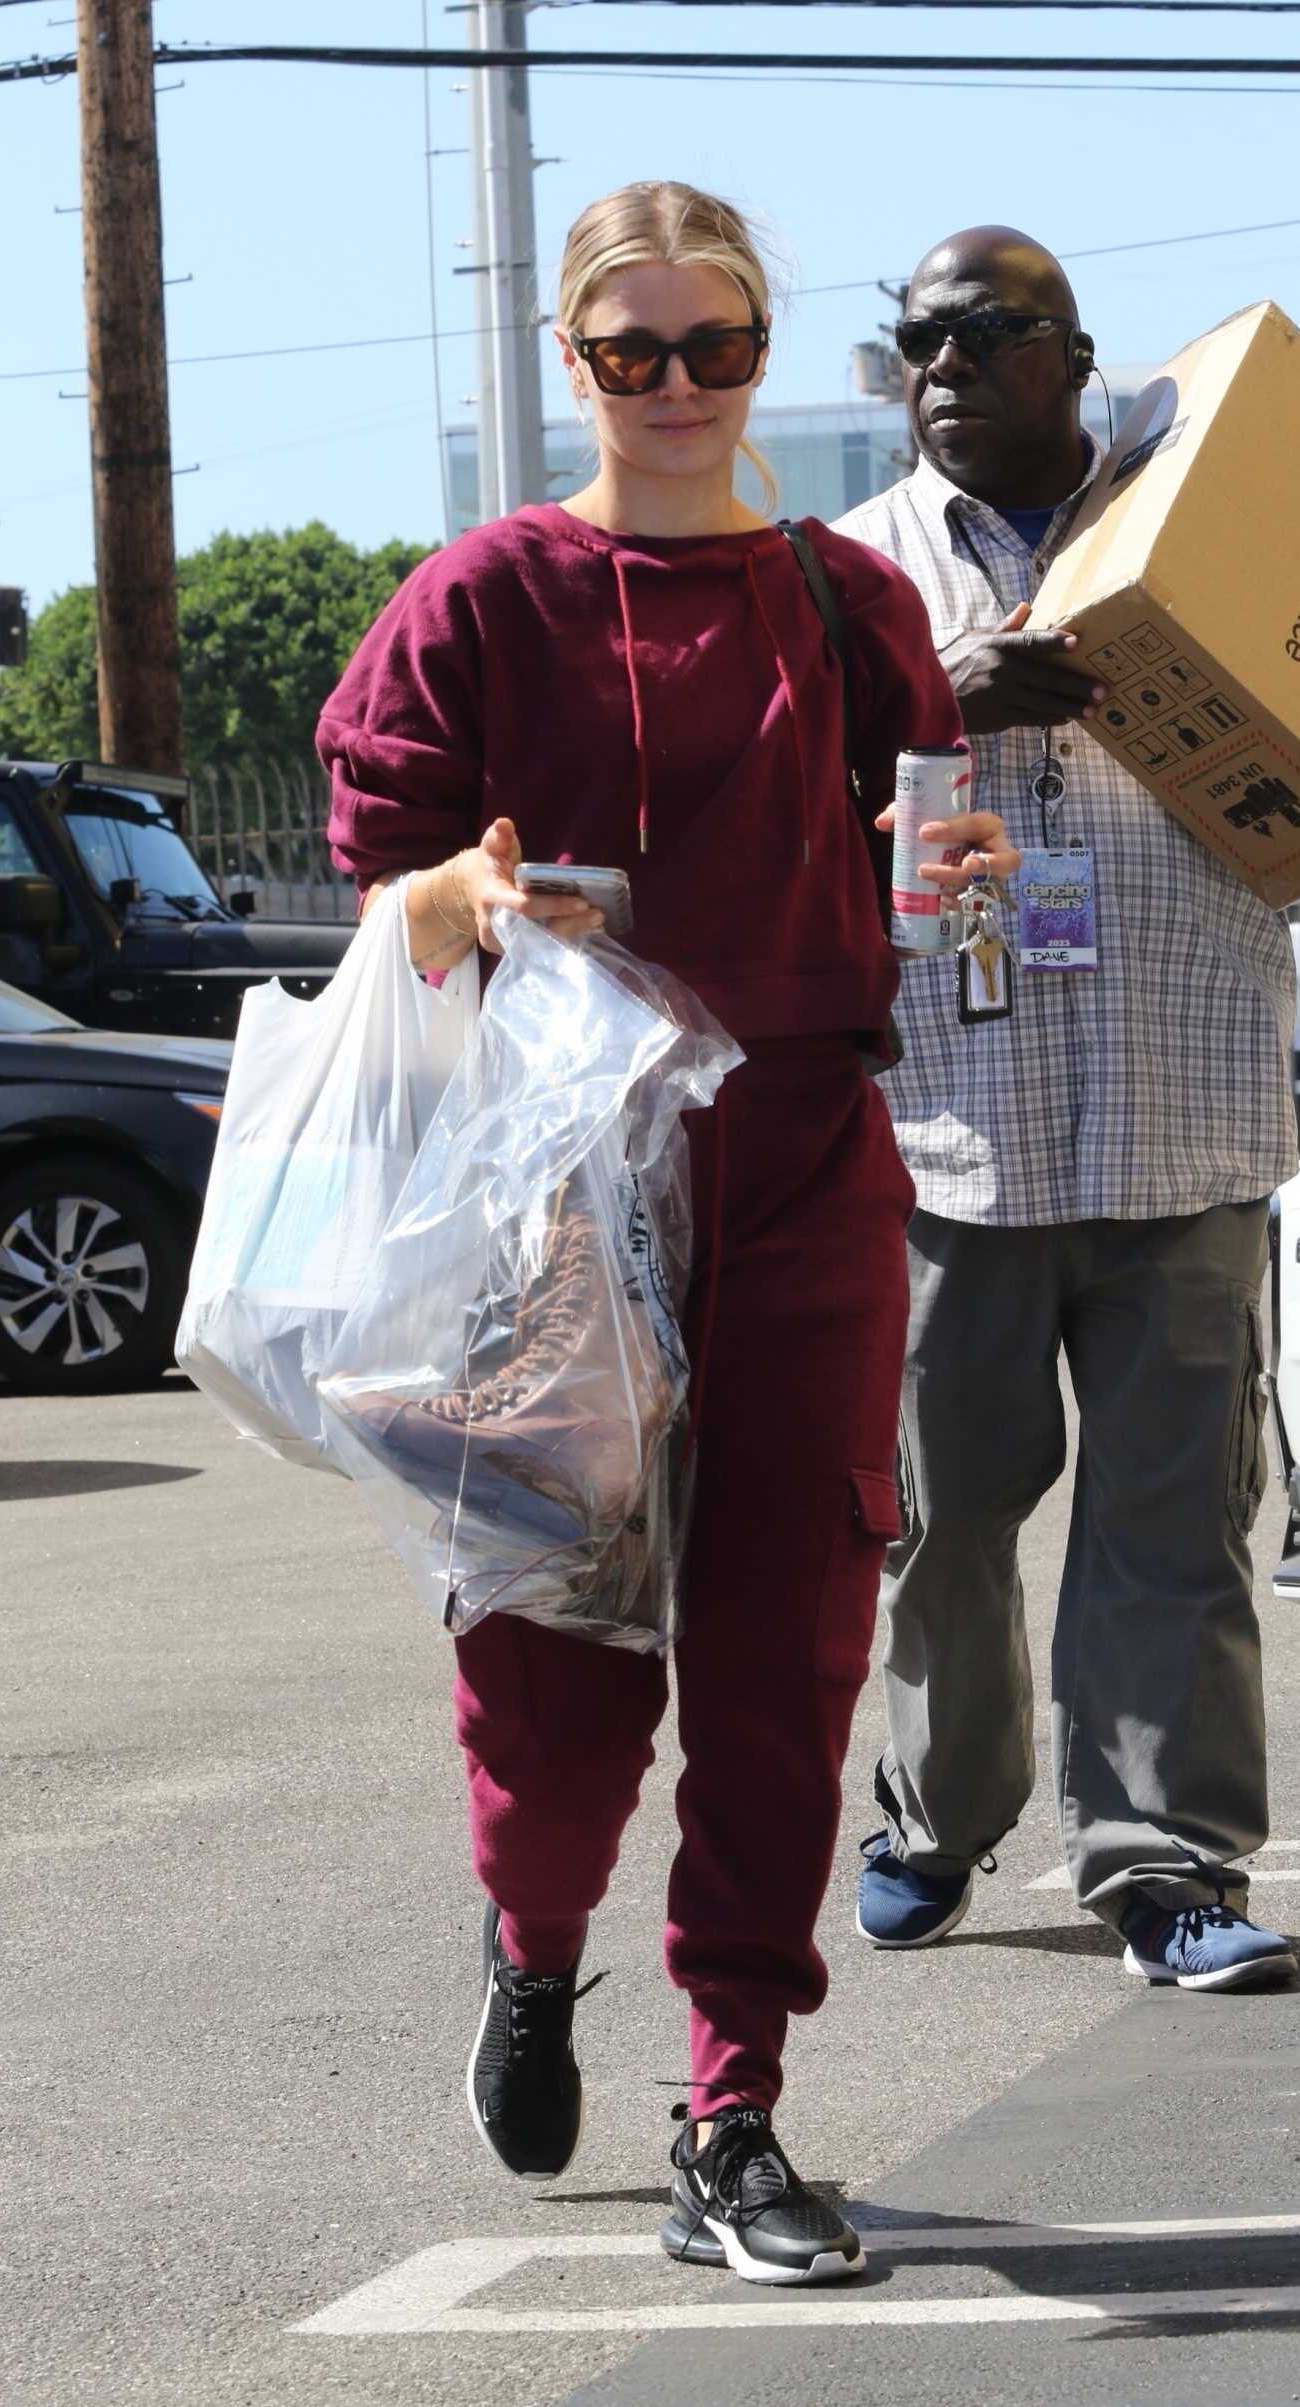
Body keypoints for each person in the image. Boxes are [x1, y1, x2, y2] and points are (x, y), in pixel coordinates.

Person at [317, 181, 1017, 2284]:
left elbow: (921, 846)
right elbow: (377, 898)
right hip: (554, 1187)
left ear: (762, 350)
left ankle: (737, 2101)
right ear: (573, 364)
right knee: (551, 1648)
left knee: (790, 1641)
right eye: (637, 353)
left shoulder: (845, 599)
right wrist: (470, 893)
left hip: (809, 1151)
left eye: (718, 346)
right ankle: (535, 1951)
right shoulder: (481, 601)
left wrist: (954, 866)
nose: (684, 387)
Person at [836, 223, 1300, 1990]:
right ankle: (940, 1816)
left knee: (1172, 1522)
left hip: (1182, 1112)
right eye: (915, 345)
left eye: (987, 335)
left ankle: (1163, 1861)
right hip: (953, 1128)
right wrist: (922, 704)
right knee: (941, 1518)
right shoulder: (851, 578)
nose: (944, 371)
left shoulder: (1204, 525)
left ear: (1079, 352)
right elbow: (766, 805)